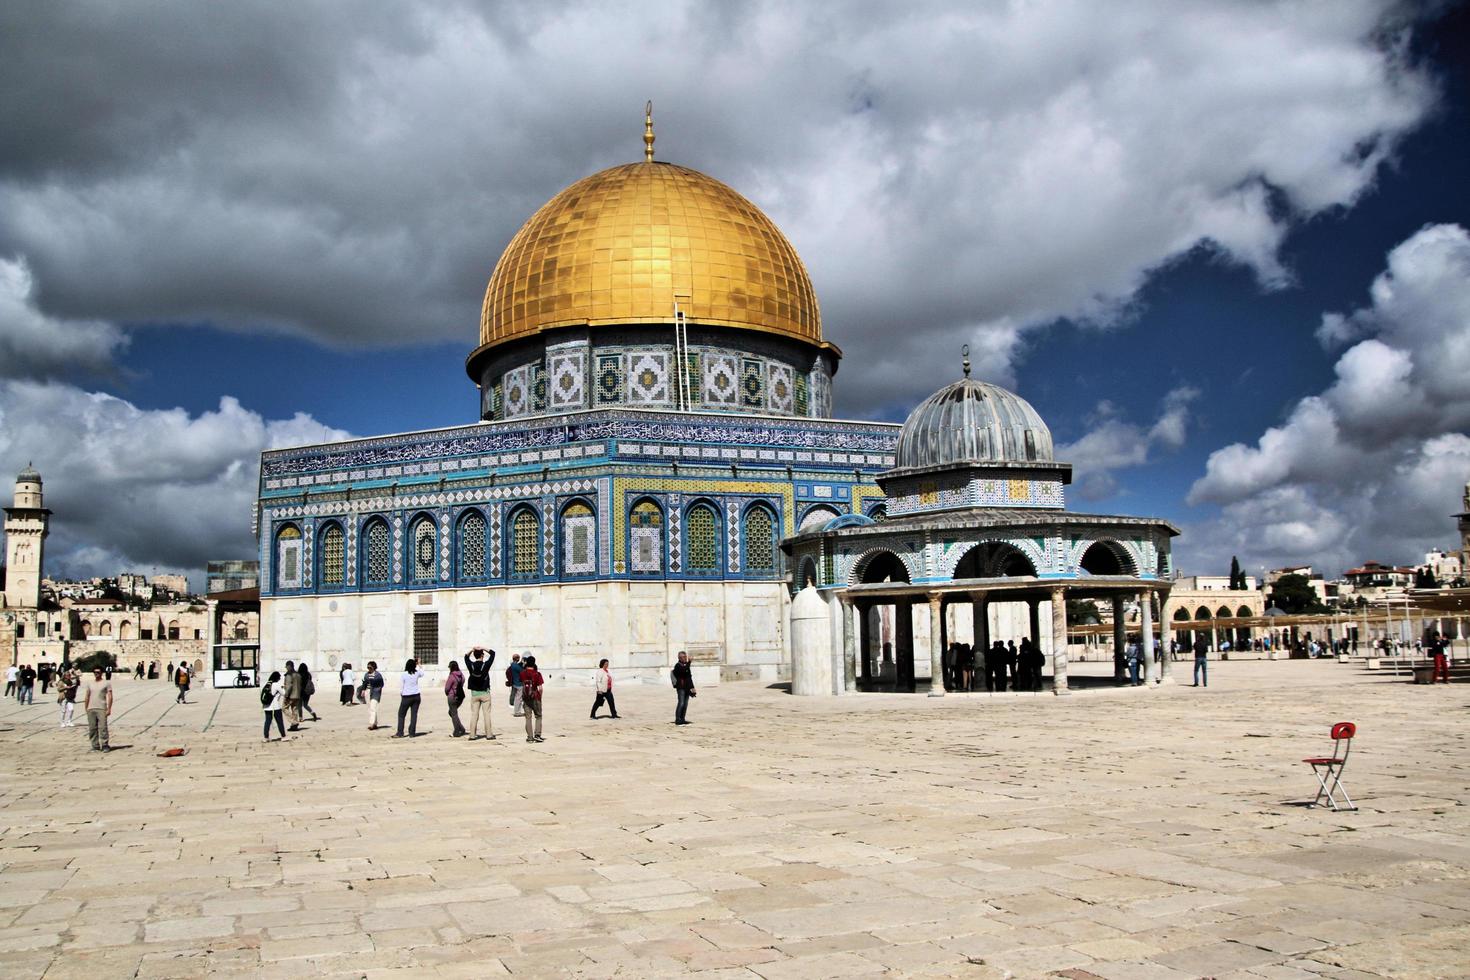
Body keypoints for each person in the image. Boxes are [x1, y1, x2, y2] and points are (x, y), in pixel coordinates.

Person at [464, 647, 496, 739]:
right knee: (486, 714)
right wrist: (483, 648)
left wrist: (472, 650)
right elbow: (493, 653)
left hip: (474, 694)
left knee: (474, 715)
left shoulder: (471, 665)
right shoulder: (486, 665)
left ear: (474, 656)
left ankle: (472, 735)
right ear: (482, 655)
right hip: (485, 693)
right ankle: (489, 735)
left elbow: (466, 657)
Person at [83, 666, 113, 752]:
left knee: (103, 727)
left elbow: (110, 696)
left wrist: (109, 708)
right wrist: (86, 707)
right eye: (95, 672)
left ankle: (105, 745)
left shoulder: (106, 683)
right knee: (92, 728)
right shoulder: (90, 683)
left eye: (98, 672)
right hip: (91, 708)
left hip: (101, 708)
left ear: (101, 673)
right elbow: (87, 696)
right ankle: (95, 745)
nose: (96, 674)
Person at [393, 659, 423, 738]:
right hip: (416, 696)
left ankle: (400, 732)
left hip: (406, 696)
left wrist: (401, 694)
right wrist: (419, 664)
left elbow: (401, 686)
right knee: (414, 715)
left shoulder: (404, 674)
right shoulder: (417, 673)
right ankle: (412, 733)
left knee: (401, 715)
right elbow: (422, 673)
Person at [520, 655, 544, 742]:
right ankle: (537, 735)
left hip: (526, 697)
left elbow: (521, 683)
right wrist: (540, 697)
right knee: (538, 716)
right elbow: (540, 688)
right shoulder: (537, 674)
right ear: (534, 663)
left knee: (528, 717)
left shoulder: (522, 673)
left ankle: (530, 737)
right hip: (535, 696)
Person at [671, 650, 695, 725]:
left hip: (687, 687)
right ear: (679, 657)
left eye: (685, 656)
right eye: (683, 657)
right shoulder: (677, 665)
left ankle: (682, 719)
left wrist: (692, 687)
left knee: (685, 704)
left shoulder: (686, 665)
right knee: (681, 703)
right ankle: (678, 719)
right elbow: (683, 671)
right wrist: (689, 662)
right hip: (681, 687)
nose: (685, 658)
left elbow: (689, 677)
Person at [444, 660, 467, 737]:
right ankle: (461, 728)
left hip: (452, 696)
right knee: (452, 713)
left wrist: (448, 692)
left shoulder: (451, 676)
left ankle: (457, 731)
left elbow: (447, 688)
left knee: (453, 713)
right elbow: (463, 680)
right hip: (460, 697)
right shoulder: (460, 675)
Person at [261, 670, 285, 741]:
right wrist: (283, 687)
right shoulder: (276, 684)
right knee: (279, 721)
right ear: (277, 678)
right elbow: (284, 693)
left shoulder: (267, 684)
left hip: (266, 706)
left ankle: (266, 737)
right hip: (275, 707)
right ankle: (283, 736)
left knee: (267, 721)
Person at [362, 661, 384, 729]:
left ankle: (371, 723)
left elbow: (382, 684)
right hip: (368, 692)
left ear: (374, 667)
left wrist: (378, 689)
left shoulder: (378, 675)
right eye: (368, 667)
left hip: (375, 692)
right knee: (370, 708)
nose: (369, 669)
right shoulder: (366, 674)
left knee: (373, 707)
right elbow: (364, 683)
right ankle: (375, 723)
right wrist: (363, 690)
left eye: (370, 667)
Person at [283, 659, 303, 731]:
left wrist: (286, 695)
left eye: (286, 667)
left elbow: (289, 686)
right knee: (295, 710)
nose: (286, 668)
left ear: (289, 666)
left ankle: (294, 722)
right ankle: (294, 726)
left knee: (284, 708)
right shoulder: (298, 674)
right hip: (297, 695)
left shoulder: (289, 674)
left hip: (290, 695)